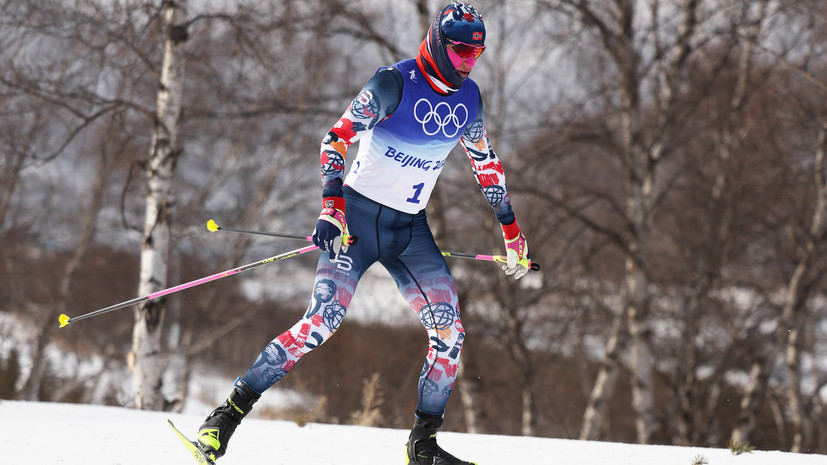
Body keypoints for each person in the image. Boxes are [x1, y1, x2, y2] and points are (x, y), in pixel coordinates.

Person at [194, 2, 532, 464]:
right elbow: (335, 138)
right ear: (437, 41)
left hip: (409, 229)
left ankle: (423, 446)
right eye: (460, 51)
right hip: (356, 221)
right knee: (323, 322)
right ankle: (224, 418)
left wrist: (511, 229)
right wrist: (331, 207)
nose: (468, 60)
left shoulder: (469, 97)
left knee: (450, 332)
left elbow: (485, 162)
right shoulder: (394, 83)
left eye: (477, 53)